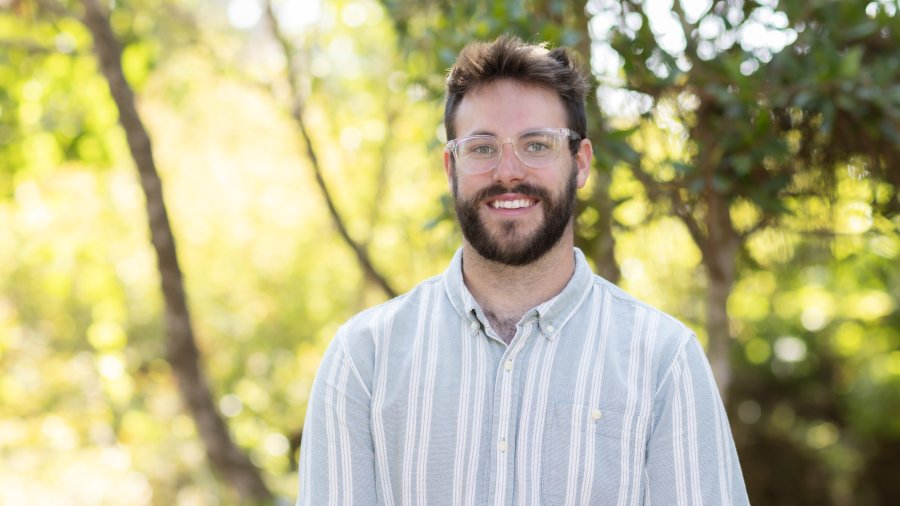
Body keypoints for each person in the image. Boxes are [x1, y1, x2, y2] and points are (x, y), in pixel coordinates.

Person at [296, 34, 750, 505]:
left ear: (579, 163)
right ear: (450, 167)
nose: (508, 171)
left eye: (536, 145)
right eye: (483, 148)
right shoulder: (364, 360)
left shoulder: (662, 361)